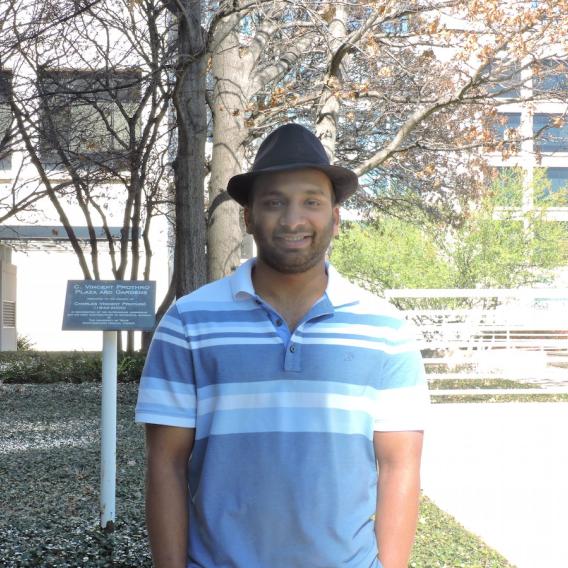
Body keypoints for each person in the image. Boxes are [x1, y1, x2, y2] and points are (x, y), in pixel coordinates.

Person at [135, 123, 430, 568]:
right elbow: (166, 464)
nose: (293, 220)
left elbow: (399, 467)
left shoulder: (386, 329)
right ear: (248, 217)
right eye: (274, 202)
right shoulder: (188, 323)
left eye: (311, 201)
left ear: (335, 217)